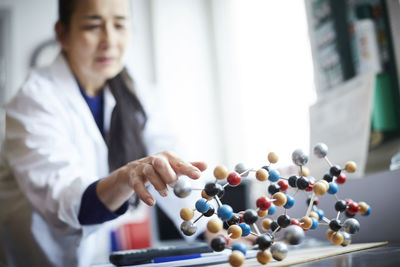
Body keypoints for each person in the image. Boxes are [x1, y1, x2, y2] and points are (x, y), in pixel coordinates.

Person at [0, 0, 207, 266]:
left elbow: (171, 161)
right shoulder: (34, 100)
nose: (109, 40)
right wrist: (125, 177)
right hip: (37, 256)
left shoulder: (134, 90)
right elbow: (66, 200)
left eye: (120, 25)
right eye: (93, 26)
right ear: (62, 34)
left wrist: (211, 228)